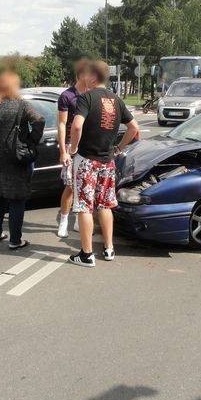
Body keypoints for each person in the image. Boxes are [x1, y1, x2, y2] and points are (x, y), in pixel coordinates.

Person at [67, 60, 140, 267]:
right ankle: (109, 249)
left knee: (84, 207)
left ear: (92, 76)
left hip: (86, 161)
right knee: (105, 205)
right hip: (108, 162)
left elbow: (77, 126)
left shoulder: (85, 98)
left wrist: (73, 148)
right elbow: (133, 128)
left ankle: (86, 254)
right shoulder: (116, 100)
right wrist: (118, 148)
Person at [0, 70, 44, 250]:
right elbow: (39, 120)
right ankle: (15, 240)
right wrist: (31, 141)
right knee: (17, 199)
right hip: (16, 157)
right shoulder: (21, 105)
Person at [56, 58, 90, 238]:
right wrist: (63, 150)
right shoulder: (67, 96)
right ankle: (64, 221)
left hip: (88, 145)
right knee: (70, 186)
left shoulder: (91, 95)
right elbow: (62, 124)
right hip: (71, 145)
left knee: (84, 185)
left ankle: (78, 219)